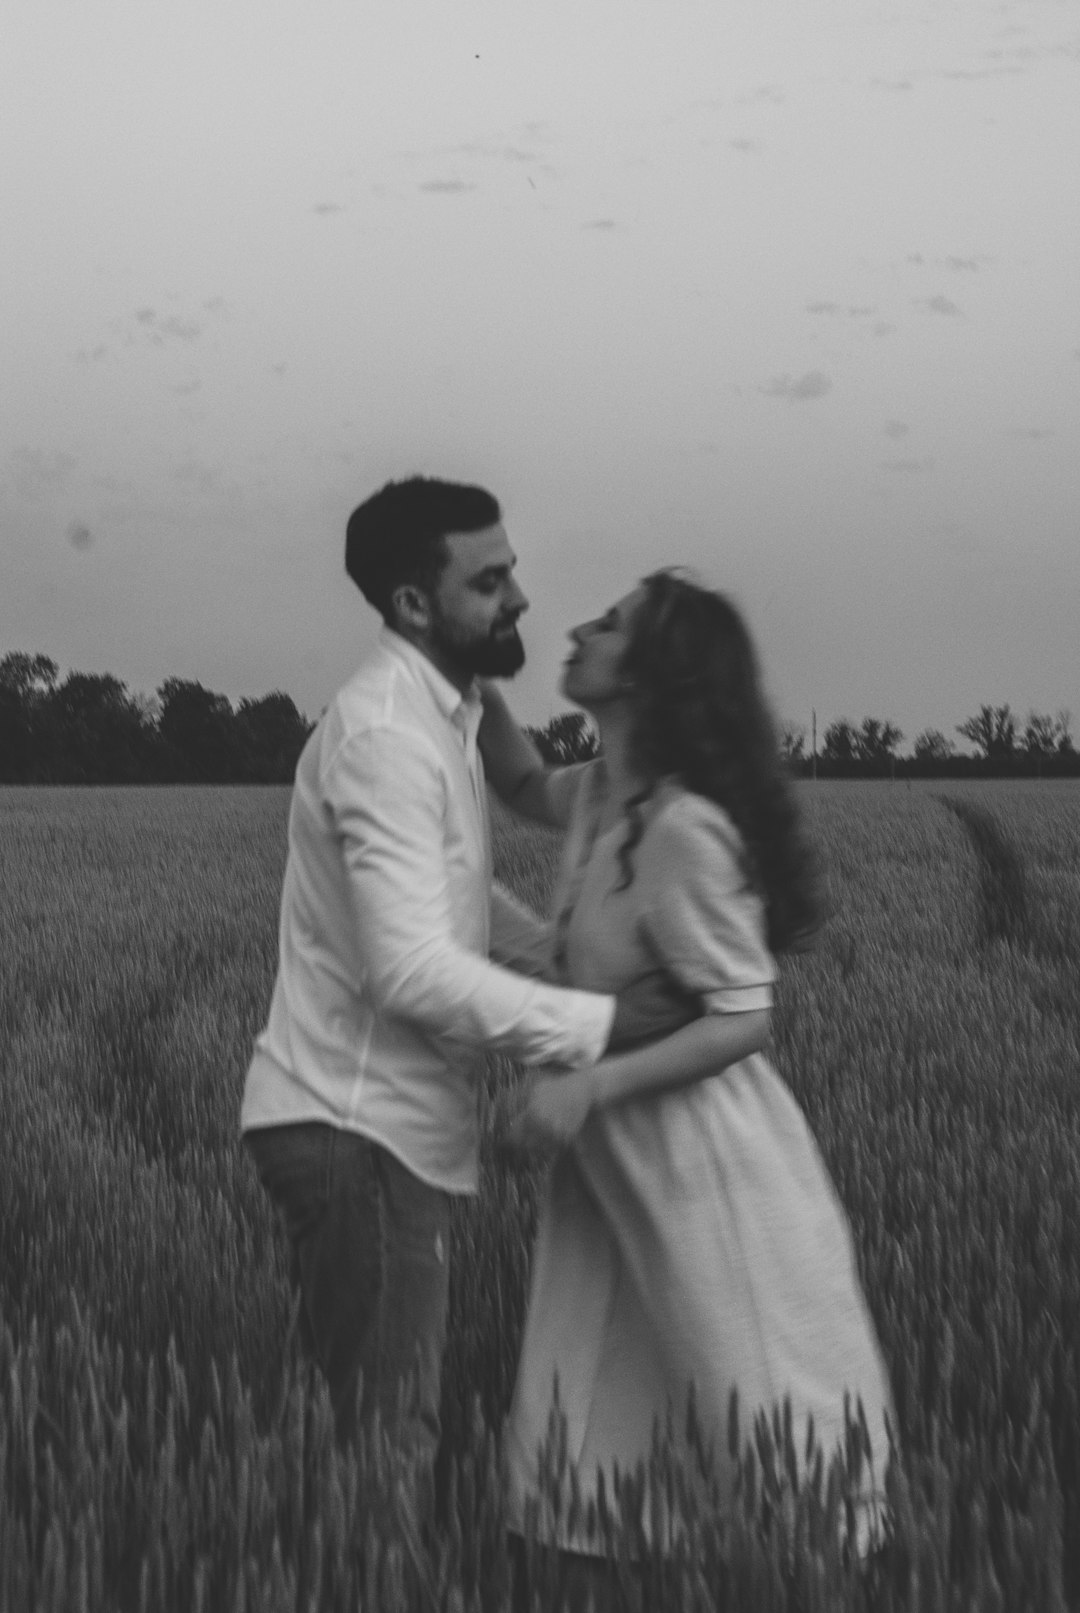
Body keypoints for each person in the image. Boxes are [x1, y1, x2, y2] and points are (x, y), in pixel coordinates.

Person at [241, 477, 675, 1476]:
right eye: (490, 579)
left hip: (376, 1130)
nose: (520, 595)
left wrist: (567, 965)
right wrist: (592, 1028)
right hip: (361, 1128)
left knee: (371, 1430)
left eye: (511, 567)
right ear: (412, 604)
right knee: (389, 1441)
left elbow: (462, 899)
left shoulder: (447, 709)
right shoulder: (392, 738)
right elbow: (410, 966)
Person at [479, 570, 893, 1596]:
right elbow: (523, 784)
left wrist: (586, 1088)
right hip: (621, 1166)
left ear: (654, 675)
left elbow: (744, 1014)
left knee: (752, 1419)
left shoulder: (681, 829)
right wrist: (469, 671)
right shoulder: (600, 793)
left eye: (610, 622)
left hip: (706, 1166)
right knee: (605, 1418)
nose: (577, 625)